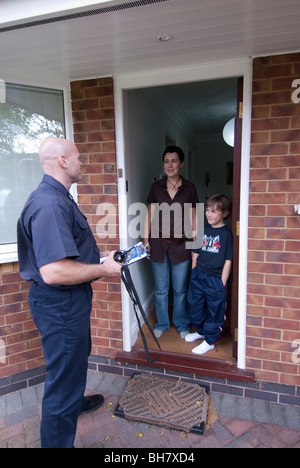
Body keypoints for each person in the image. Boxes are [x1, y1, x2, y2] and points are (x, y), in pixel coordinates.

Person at [17, 138, 122, 448]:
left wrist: (101, 260)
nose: (82, 162)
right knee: (61, 382)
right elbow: (53, 271)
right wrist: (103, 270)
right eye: (78, 157)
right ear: (63, 161)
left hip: (70, 302)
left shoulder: (58, 197)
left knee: (74, 363)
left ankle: (73, 403)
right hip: (60, 305)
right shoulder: (49, 204)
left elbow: (68, 255)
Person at [144, 146, 198, 339]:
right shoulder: (156, 187)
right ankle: (162, 323)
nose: (170, 165)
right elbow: (148, 215)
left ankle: (182, 323)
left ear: (181, 163)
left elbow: (194, 218)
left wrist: (195, 246)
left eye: (174, 161)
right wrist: (145, 240)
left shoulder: (190, 188)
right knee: (160, 290)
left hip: (181, 245)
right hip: (158, 243)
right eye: (166, 161)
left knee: (180, 289)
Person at [185, 194, 234, 355]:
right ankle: (201, 331)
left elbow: (228, 260)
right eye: (207, 210)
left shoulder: (227, 234)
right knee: (195, 307)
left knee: (215, 310)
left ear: (224, 213)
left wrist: (221, 283)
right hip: (199, 275)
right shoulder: (203, 229)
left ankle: (210, 340)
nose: (209, 214)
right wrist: (194, 272)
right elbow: (195, 253)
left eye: (214, 211)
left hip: (215, 279)